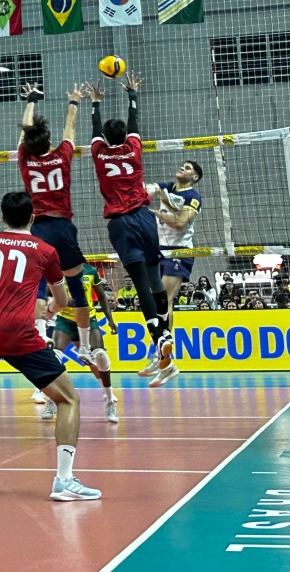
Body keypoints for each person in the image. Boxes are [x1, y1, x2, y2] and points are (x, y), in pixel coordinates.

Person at [0, 192, 101, 502]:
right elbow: (62, 299)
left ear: (2, 217)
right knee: (68, 399)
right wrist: (51, 310)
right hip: (19, 333)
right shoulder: (45, 250)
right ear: (32, 218)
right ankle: (64, 481)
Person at [88, 73, 171, 374]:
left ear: (105, 139)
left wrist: (95, 103)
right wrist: (132, 94)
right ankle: (166, 334)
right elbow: (134, 122)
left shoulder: (99, 153)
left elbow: (95, 129)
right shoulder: (134, 149)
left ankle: (159, 338)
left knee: (140, 286)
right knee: (155, 279)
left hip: (121, 223)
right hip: (145, 219)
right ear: (125, 137)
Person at [18, 83, 93, 358]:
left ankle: (40, 339)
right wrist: (74, 102)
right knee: (77, 288)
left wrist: (31, 100)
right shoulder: (62, 156)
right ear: (49, 142)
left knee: (38, 286)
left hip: (38, 228)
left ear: (28, 144)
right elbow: (69, 129)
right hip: (62, 226)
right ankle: (85, 346)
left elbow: (25, 132)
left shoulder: (25, 159)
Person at [147, 160, 204, 387]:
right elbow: (146, 189)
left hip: (179, 252)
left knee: (164, 299)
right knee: (154, 302)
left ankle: (163, 355)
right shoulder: (167, 187)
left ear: (195, 177)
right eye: (183, 165)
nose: (183, 168)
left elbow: (180, 223)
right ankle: (160, 351)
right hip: (158, 250)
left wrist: (155, 212)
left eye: (188, 168)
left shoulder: (193, 197)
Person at [45, 263, 120, 424]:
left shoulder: (90, 271)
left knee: (99, 355)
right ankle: (52, 400)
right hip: (65, 321)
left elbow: (101, 297)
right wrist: (60, 303)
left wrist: (110, 320)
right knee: (54, 357)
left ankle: (109, 400)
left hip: (88, 318)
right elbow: (47, 294)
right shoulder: (57, 270)